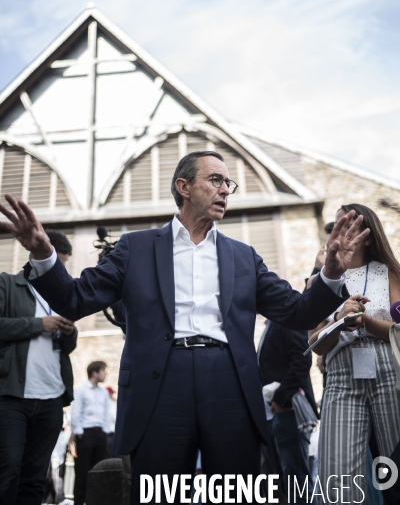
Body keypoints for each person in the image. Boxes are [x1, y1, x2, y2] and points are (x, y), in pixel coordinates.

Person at [0, 151, 369, 504]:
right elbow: (75, 300)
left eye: (229, 184)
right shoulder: (135, 248)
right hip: (159, 383)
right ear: (184, 187)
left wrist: (332, 273)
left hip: (229, 382)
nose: (225, 189)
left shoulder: (244, 256)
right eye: (215, 180)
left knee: (235, 491)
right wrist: (42, 253)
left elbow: (297, 312)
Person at [308, 203, 400, 503]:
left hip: (389, 368)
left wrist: (366, 321)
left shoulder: (389, 273)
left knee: (396, 469)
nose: (342, 231)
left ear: (369, 237)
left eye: (351, 224)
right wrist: (338, 321)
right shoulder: (319, 281)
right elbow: (315, 344)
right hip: (341, 375)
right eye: (338, 225)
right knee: (337, 479)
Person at [0, 230, 77, 505]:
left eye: (63, 266)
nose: (60, 272)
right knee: (7, 471)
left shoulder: (62, 297)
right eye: (58, 264)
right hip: (11, 396)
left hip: (51, 399)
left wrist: (69, 331)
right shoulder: (7, 284)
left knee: (35, 479)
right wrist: (38, 325)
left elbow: (68, 348)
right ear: (38, 256)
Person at [258, 320, 317, 504]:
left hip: (289, 411)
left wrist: (281, 398)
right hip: (274, 414)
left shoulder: (287, 320)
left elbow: (302, 359)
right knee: (288, 483)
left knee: (297, 485)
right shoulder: (271, 324)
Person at [71, 360, 109, 505]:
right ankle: (79, 502)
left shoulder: (104, 392)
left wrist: (105, 431)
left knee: (99, 471)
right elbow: (76, 413)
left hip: (100, 434)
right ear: (95, 372)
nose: (105, 373)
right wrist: (80, 433)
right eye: (103, 370)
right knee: (83, 472)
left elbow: (105, 414)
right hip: (86, 434)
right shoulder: (81, 391)